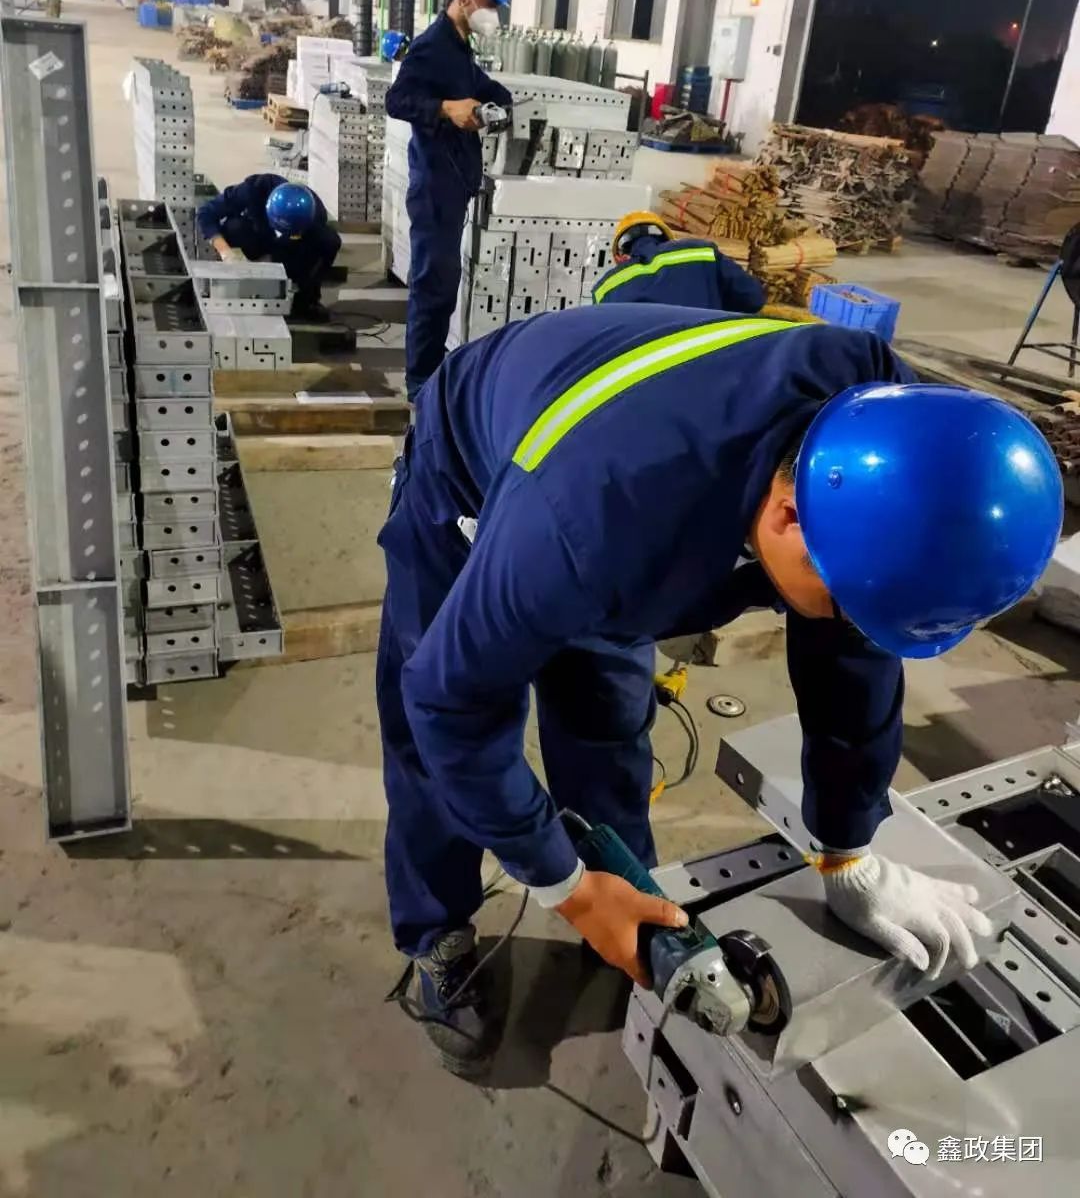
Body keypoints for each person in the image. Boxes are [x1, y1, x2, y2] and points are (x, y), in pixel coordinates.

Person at [376, 302, 1062, 1075]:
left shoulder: (890, 438)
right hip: (471, 474)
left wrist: (848, 851)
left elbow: (854, 658)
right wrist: (562, 884)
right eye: (846, 604)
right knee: (434, 732)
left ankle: (634, 902)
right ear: (789, 513)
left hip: (624, 490)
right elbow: (451, 706)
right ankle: (438, 932)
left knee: (606, 718)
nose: (850, 626)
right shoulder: (590, 519)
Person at [385, 0, 514, 402]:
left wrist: (506, 101)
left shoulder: (460, 49)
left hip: (453, 181)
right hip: (435, 184)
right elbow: (396, 100)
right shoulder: (432, 46)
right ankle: (420, 382)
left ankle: (431, 367)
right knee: (432, 283)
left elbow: (478, 84)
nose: (493, 12)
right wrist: (444, 108)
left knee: (444, 282)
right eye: (490, 1)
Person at [196, 176, 341, 322]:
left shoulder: (316, 214)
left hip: (288, 249)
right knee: (234, 227)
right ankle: (233, 282)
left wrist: (302, 281)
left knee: (330, 241)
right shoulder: (252, 190)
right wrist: (226, 252)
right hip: (256, 240)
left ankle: (305, 302)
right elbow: (206, 214)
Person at [592, 210, 765, 313]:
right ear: (668, 240)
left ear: (620, 257)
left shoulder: (605, 290)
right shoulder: (701, 252)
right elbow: (754, 298)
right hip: (712, 356)